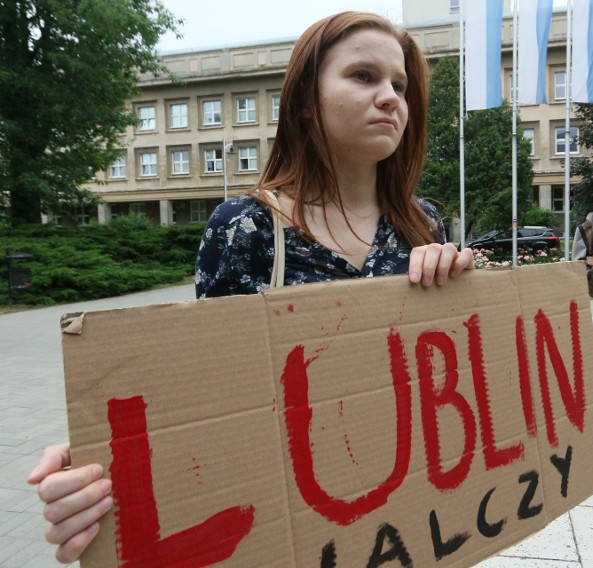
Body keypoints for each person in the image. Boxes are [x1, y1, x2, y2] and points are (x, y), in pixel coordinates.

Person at [26, 11, 474, 563]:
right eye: (363, 76)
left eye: (400, 85)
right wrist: (107, 465)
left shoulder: (423, 222)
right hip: (306, 524)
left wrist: (462, 288)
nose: (390, 98)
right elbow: (208, 393)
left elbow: (458, 371)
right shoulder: (247, 224)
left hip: (411, 516)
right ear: (307, 99)